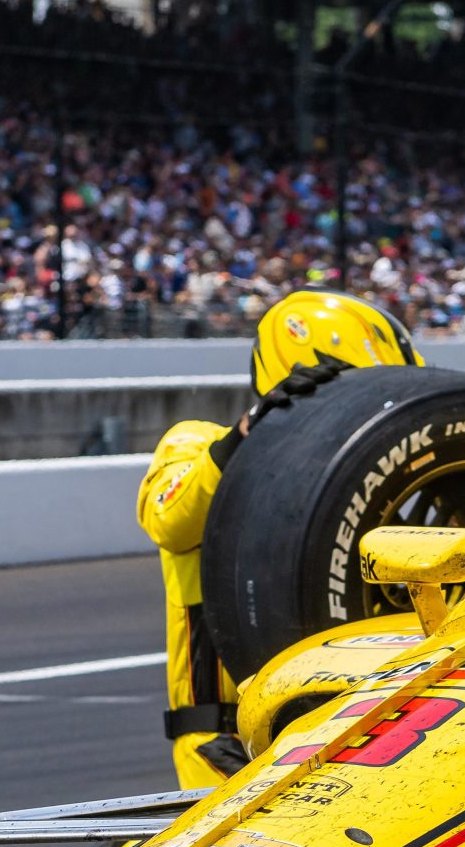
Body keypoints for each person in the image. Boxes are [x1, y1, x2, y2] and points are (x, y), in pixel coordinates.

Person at [136, 289, 421, 789]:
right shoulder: (198, 441)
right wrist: (251, 435)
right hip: (227, 737)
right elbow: (168, 518)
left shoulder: (395, 472)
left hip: (366, 728)